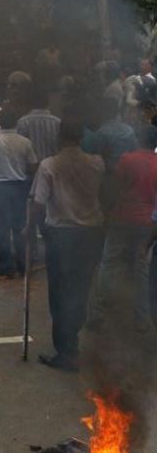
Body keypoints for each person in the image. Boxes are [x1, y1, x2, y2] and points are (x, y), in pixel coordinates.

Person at [28, 117, 105, 372]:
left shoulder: (49, 164)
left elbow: (38, 203)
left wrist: (31, 230)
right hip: (91, 233)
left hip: (61, 235)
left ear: (59, 137)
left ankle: (66, 350)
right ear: (81, 137)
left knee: (60, 292)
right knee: (81, 288)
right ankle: (73, 340)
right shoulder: (97, 162)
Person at [89, 125, 157, 329]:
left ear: (139, 139)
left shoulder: (127, 160)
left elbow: (115, 187)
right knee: (142, 269)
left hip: (122, 217)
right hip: (147, 222)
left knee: (108, 263)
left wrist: (107, 211)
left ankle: (98, 314)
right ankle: (142, 319)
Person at [0, 108, 37, 277]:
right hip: (20, 187)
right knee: (20, 226)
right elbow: (33, 165)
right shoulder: (25, 142)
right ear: (16, 122)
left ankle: (4, 265)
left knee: (1, 227)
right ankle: (22, 264)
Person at [16, 84, 61, 161]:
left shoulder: (23, 122)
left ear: (31, 102)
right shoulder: (57, 122)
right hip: (53, 166)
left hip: (30, 167)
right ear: (48, 102)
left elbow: (20, 149)